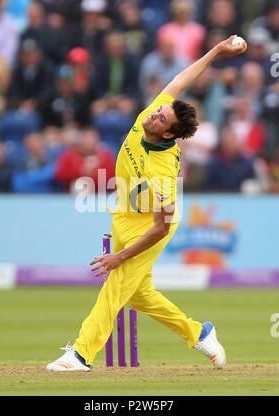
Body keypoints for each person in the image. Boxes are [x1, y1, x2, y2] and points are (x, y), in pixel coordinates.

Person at [46, 35, 247, 372]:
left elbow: (163, 226)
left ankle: (80, 354)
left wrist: (120, 256)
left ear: (169, 134)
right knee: (138, 295)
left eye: (161, 119)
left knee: (116, 285)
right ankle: (200, 332)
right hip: (124, 213)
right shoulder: (150, 115)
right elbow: (181, 80)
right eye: (158, 110)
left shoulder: (164, 172)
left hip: (150, 226)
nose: (153, 115)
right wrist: (216, 51)